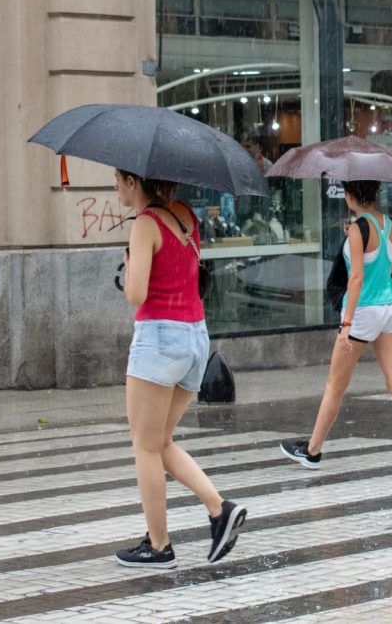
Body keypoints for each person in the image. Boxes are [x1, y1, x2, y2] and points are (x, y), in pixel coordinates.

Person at [114, 169, 246, 569]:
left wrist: (130, 262)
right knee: (161, 442)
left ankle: (159, 546)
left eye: (117, 181)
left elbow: (136, 295)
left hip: (159, 337)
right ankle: (219, 509)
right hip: (194, 336)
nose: (115, 188)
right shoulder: (186, 215)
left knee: (144, 446)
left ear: (133, 182)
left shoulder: (145, 224)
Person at [280, 180, 392, 476]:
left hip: (362, 311)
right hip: (390, 307)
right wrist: (354, 236)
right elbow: (381, 266)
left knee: (334, 386)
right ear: (374, 194)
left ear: (350, 197)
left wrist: (345, 324)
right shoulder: (389, 224)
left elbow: (357, 278)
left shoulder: (357, 230)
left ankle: (312, 450)